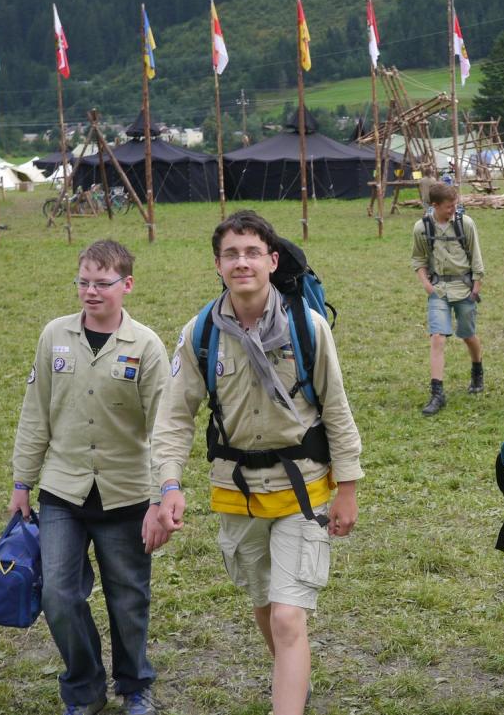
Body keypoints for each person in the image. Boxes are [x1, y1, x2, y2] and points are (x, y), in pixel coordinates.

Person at [149, 211, 362, 715]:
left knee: (288, 617)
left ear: (272, 260)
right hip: (236, 492)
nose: (241, 262)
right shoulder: (201, 333)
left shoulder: (307, 328)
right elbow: (174, 417)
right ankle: (294, 678)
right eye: (231, 254)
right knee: (265, 604)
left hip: (303, 487)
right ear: (217, 265)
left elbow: (336, 408)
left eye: (251, 252)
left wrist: (348, 487)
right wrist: (169, 485)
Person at [9, 239, 168, 715]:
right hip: (63, 490)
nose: (91, 291)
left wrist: (161, 496)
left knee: (128, 599)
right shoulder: (54, 336)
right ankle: (84, 688)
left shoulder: (146, 345)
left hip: (126, 493)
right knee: (58, 595)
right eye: (83, 282)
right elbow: (35, 413)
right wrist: (22, 482)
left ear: (127, 285)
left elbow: (165, 428)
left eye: (102, 283)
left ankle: (135, 685)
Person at [411, 181, 485, 416]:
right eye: (449, 206)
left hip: (464, 289)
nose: (454, 209)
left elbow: (476, 258)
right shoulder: (422, 228)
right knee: (437, 338)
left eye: (455, 204)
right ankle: (437, 394)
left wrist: (476, 287)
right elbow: (418, 259)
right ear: (435, 205)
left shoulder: (466, 224)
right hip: (438, 290)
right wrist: (426, 285)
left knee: (468, 335)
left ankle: (477, 370)